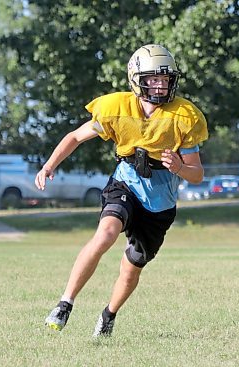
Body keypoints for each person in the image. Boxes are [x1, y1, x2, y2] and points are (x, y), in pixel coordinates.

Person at [36, 44, 208, 337]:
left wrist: (179, 167)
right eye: (153, 78)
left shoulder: (184, 115)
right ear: (136, 79)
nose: (160, 84)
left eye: (165, 79)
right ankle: (65, 303)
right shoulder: (116, 108)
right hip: (126, 182)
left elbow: (198, 174)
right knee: (105, 233)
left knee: (132, 267)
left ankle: (108, 315)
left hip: (160, 202)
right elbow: (76, 136)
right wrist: (49, 164)